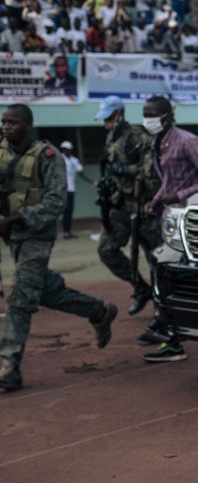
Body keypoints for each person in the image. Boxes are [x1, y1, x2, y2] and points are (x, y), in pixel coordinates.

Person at [0, 104, 118, 392]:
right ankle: (99, 311)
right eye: (3, 121)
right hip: (9, 234)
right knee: (45, 290)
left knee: (20, 296)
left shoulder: (48, 156)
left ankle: (9, 366)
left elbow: (55, 202)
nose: (6, 126)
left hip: (35, 234)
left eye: (12, 122)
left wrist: (17, 218)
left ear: (29, 125)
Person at [140, 96, 198, 363]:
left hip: (191, 221)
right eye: (145, 114)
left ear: (168, 116)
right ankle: (165, 329)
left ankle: (175, 336)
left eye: (152, 114)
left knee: (181, 276)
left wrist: (180, 195)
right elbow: (169, 181)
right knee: (161, 273)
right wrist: (155, 200)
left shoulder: (187, 141)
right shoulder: (158, 143)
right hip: (170, 220)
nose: (148, 119)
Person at [95, 95, 162, 316]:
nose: (106, 123)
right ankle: (140, 288)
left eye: (109, 118)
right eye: (104, 119)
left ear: (120, 114)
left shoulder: (136, 136)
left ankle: (163, 307)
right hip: (119, 204)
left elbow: (152, 167)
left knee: (154, 256)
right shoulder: (111, 137)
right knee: (106, 250)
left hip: (142, 205)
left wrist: (126, 171)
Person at [59, 140, 92, 238]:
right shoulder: (59, 159)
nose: (66, 151)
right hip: (62, 189)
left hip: (71, 188)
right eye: (64, 149)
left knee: (70, 210)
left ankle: (68, 231)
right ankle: (65, 231)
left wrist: (91, 182)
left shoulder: (73, 160)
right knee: (65, 209)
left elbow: (81, 172)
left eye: (67, 150)